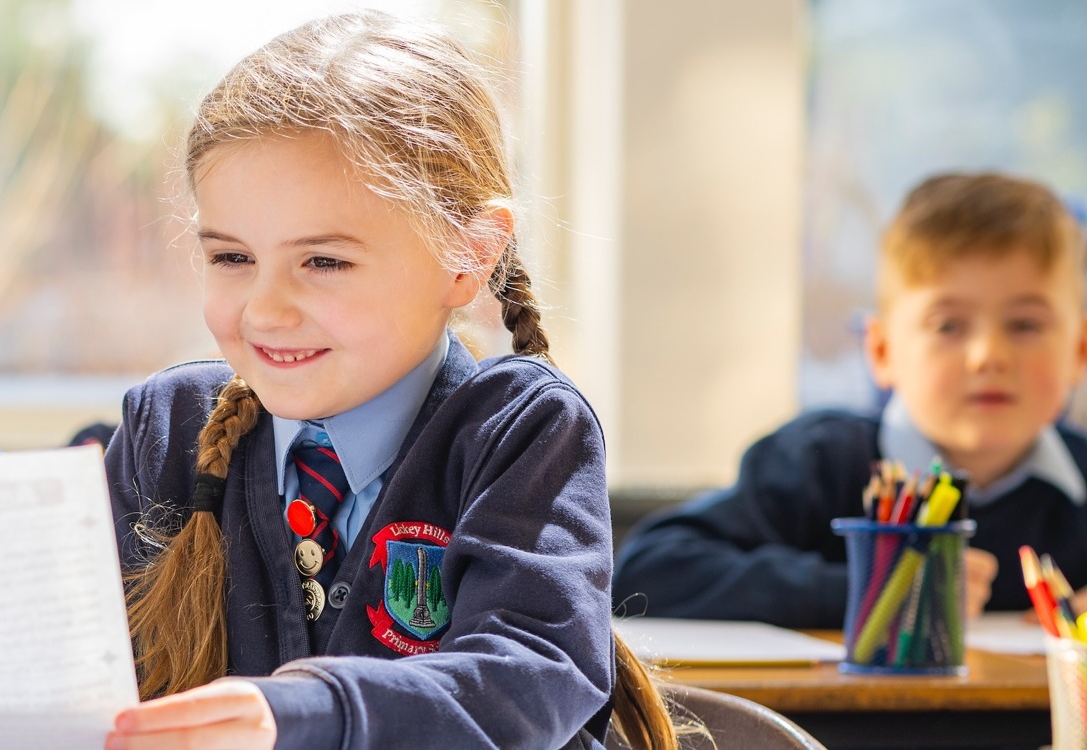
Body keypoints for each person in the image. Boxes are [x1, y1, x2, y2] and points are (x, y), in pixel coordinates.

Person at [102, 12, 675, 749]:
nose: (266, 311)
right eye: (232, 258)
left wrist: (305, 714)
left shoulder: (521, 431)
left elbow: (531, 678)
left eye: (324, 262)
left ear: (467, 257)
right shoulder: (166, 428)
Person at [615, 172, 1087, 627]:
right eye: (948, 326)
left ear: (1078, 351)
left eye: (1025, 325)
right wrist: (875, 590)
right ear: (882, 351)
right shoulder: (820, 461)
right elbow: (649, 570)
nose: (988, 356)